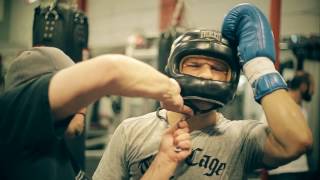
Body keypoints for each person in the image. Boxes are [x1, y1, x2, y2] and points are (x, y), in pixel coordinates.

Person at [93, 4, 313, 180]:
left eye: (218, 68)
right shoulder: (131, 131)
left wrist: (260, 66)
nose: (207, 75)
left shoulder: (242, 138)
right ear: (174, 69)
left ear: (232, 79)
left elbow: (298, 141)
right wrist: (159, 167)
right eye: (194, 65)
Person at [0, 46, 192, 180]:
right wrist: (171, 90)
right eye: (76, 96)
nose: (84, 105)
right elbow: (112, 70)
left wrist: (164, 161)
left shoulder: (57, 154)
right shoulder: (10, 121)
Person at [260, 71, 315, 180]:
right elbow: (262, 137)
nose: (313, 92)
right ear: (303, 86)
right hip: (283, 172)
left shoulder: (302, 110)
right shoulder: (278, 106)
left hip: (302, 169)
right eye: (312, 87)